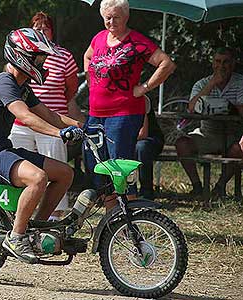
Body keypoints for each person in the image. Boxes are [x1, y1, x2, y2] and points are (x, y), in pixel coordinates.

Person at [0, 28, 83, 263]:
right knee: (38, 178)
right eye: (39, 58)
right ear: (21, 57)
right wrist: (60, 134)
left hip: (3, 148)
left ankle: (36, 229)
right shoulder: (5, 83)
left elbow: (51, 115)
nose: (42, 63)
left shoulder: (22, 86)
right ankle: (16, 236)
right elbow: (28, 118)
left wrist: (87, 125)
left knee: (64, 173)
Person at [83, 0, 175, 208]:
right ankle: (111, 219)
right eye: (107, 17)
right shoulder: (99, 38)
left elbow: (166, 64)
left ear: (126, 17)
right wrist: (91, 80)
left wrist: (143, 88)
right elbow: (88, 55)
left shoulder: (136, 41)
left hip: (123, 113)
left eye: (116, 17)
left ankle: (128, 220)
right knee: (98, 166)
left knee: (120, 167)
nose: (111, 21)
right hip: (96, 114)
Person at [9, 12, 84, 220]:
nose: (41, 31)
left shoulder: (63, 56)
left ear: (52, 31)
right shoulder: (22, 55)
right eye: (36, 27)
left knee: (56, 167)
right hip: (21, 121)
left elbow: (71, 89)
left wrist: (57, 114)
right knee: (19, 168)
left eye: (45, 27)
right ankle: (16, 215)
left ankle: (53, 217)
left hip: (52, 120)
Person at [175, 47, 243, 198]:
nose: (222, 66)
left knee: (239, 150)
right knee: (182, 144)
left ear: (233, 64)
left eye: (226, 62)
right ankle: (197, 187)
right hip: (207, 133)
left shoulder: (240, 83)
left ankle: (219, 187)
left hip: (232, 134)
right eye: (218, 62)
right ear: (213, 64)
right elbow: (192, 108)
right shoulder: (202, 83)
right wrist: (212, 83)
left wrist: (229, 107)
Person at [135, 97, 164, 200]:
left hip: (150, 139)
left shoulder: (142, 99)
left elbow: (143, 134)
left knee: (141, 147)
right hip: (130, 138)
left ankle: (146, 192)